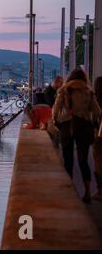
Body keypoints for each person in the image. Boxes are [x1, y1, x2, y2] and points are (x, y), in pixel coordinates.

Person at [52, 69, 101, 203]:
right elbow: (97, 112)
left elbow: (56, 109)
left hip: (67, 126)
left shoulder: (64, 90)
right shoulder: (89, 92)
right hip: (84, 127)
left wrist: (55, 121)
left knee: (68, 160)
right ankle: (87, 193)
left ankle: (69, 193)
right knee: (83, 160)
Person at [93, 77, 102, 200]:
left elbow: (95, 115)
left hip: (99, 134)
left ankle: (100, 192)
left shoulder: (96, 100)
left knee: (99, 162)